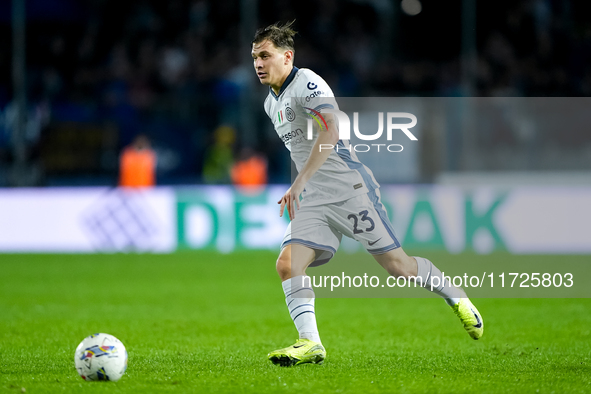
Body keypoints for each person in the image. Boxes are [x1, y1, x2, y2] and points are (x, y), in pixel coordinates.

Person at [252, 21, 483, 367]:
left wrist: (298, 182)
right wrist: (305, 185)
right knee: (287, 264)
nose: (258, 63)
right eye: (255, 57)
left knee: (399, 267)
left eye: (265, 56)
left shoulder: (308, 83)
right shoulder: (271, 103)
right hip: (314, 199)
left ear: (287, 57)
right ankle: (310, 342)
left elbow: (329, 130)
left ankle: (455, 295)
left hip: (350, 190)